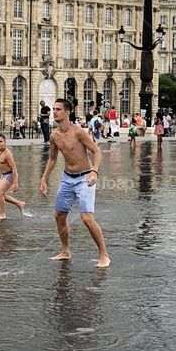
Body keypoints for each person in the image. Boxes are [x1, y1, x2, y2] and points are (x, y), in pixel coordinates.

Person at [39, 98, 110, 268]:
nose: (54, 112)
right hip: (67, 178)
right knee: (59, 215)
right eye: (54, 109)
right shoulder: (54, 134)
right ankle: (65, 251)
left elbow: (96, 152)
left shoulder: (78, 132)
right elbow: (52, 158)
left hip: (85, 177)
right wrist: (44, 178)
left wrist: (95, 171)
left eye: (58, 109)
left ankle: (104, 255)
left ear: (67, 112)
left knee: (86, 218)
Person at [0, 133, 25, 219]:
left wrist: (15, 183)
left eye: (1, 141)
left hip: (10, 174)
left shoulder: (7, 154)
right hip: (3, 175)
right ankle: (19, 203)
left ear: (5, 142)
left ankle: (2, 214)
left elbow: (14, 168)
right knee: (2, 194)